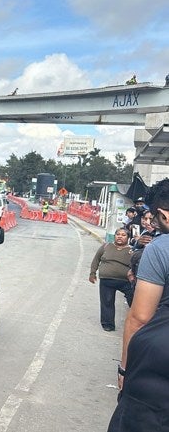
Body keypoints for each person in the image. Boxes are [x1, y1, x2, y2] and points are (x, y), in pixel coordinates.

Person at [108, 179, 169, 432]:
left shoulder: (160, 248)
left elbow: (140, 317)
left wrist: (125, 370)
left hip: (157, 367)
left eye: (155, 218)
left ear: (164, 214)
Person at [89, 227, 134, 331]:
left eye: (123, 235)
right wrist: (92, 273)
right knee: (107, 302)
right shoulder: (106, 246)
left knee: (134, 299)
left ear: (128, 237)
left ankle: (138, 321)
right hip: (107, 280)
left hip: (125, 282)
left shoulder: (132, 250)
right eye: (118, 234)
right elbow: (96, 260)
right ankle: (108, 324)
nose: (120, 237)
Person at [128, 211, 158, 288]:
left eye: (151, 219)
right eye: (145, 218)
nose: (147, 222)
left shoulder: (161, 236)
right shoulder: (144, 233)